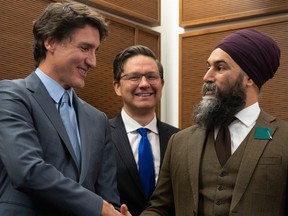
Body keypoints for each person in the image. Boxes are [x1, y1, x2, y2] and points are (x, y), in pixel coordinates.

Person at [0, 2, 129, 215]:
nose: (93, 62)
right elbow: (27, 171)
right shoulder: (11, 96)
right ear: (51, 42)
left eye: (96, 51)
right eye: (85, 48)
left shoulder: (98, 120)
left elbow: (108, 198)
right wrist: (100, 208)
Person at [141, 29, 288, 216]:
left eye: (220, 68)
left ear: (249, 78)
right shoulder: (180, 142)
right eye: (208, 67)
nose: (207, 77)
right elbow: (160, 209)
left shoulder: (284, 139)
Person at [110, 45, 180, 215]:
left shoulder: (179, 139)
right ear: (117, 86)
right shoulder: (99, 135)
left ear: (161, 84)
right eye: (134, 77)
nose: (144, 84)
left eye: (151, 77)